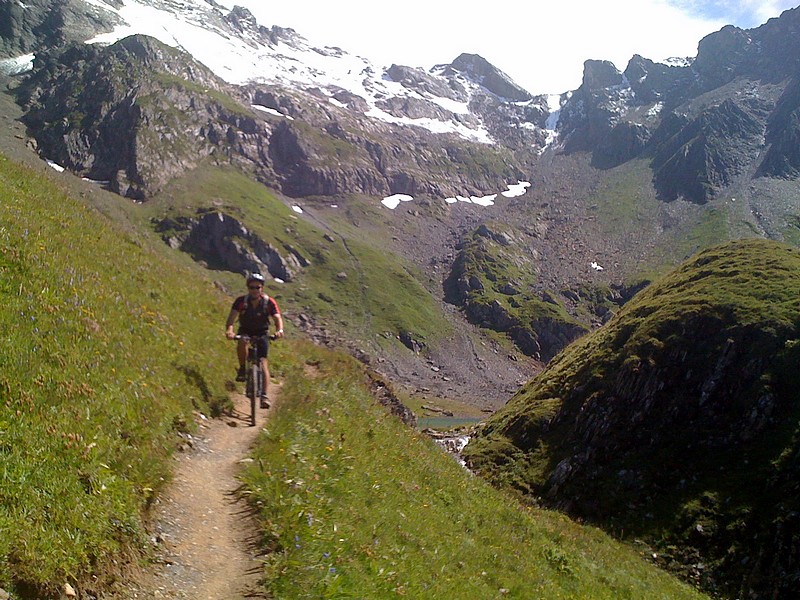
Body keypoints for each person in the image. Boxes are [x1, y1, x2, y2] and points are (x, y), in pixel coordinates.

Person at [225, 273, 284, 408]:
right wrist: (230, 331)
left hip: (261, 332)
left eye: (257, 287)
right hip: (245, 329)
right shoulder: (241, 301)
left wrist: (279, 330)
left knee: (263, 362)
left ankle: (264, 395)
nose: (254, 290)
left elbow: (277, 318)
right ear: (248, 288)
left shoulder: (269, 302)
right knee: (242, 342)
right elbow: (231, 320)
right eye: (251, 287)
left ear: (262, 288)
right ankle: (242, 368)